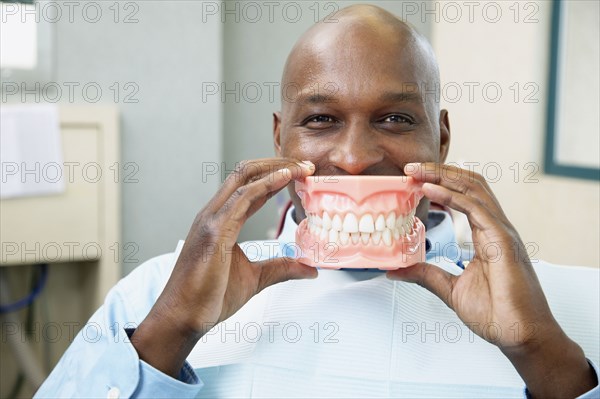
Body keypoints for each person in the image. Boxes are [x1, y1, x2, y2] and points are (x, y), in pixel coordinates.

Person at [36, 4, 598, 398]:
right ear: (281, 139)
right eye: (321, 120)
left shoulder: (573, 311)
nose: (354, 158)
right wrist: (170, 330)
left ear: (441, 139)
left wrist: (545, 357)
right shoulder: (151, 298)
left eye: (396, 118)